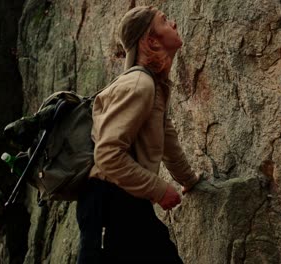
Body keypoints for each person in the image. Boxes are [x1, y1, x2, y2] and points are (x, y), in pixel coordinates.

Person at [76, 5, 200, 263]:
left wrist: (188, 180)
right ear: (150, 40)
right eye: (165, 21)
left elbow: (167, 140)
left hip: (125, 203)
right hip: (109, 203)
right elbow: (108, 155)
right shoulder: (139, 85)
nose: (174, 24)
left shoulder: (154, 85)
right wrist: (158, 189)